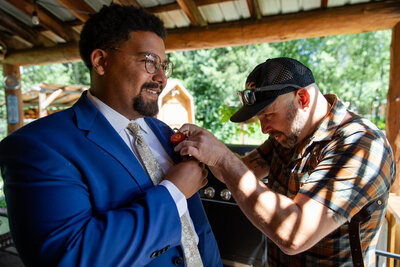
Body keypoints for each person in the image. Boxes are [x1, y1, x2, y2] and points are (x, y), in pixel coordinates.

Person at [0, 4, 222, 267]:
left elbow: (196, 227)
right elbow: (69, 258)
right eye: (150, 62)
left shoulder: (163, 132)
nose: (162, 77)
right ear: (101, 61)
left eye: (164, 65)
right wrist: (172, 191)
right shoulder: (36, 147)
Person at [175, 57, 396, 266]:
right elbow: (235, 173)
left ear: (303, 99)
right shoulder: (287, 138)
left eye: (268, 115)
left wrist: (222, 156)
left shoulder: (361, 145)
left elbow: (295, 235)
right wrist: (203, 148)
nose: (263, 129)